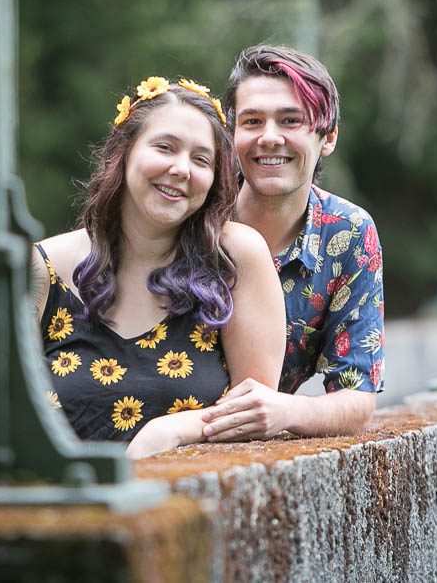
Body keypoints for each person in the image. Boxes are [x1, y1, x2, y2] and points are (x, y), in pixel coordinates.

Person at [31, 76, 285, 459]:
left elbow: (255, 412)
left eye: (201, 159)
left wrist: (174, 430)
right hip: (59, 509)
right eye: (165, 147)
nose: (181, 169)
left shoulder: (234, 260)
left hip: (187, 508)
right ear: (125, 151)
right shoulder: (43, 268)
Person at [201, 45, 385, 441]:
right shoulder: (196, 210)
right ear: (232, 134)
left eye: (290, 120)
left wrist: (284, 410)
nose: (269, 137)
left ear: (328, 136)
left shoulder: (348, 233)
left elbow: (357, 395)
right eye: (252, 121)